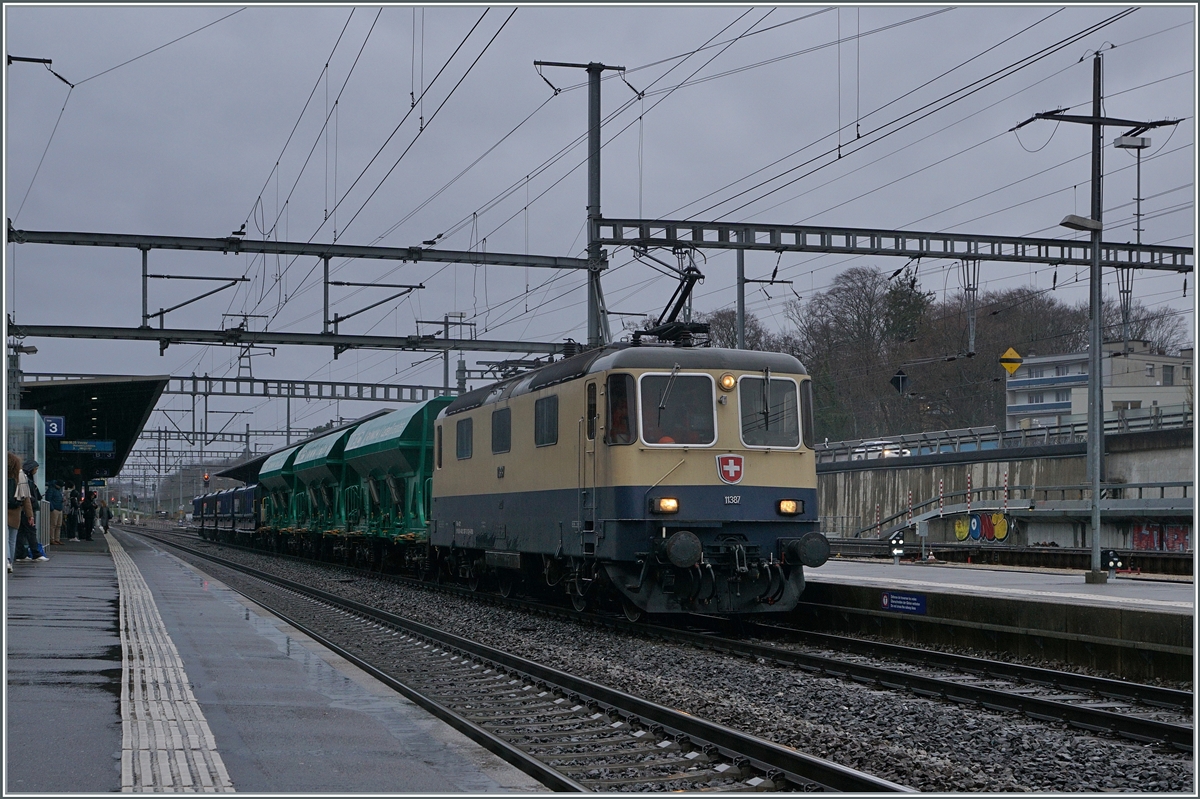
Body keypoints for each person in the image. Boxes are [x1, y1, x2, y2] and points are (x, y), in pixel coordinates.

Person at [14, 459, 48, 562]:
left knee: (21, 532)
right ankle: (35, 553)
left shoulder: (24, 478)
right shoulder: (26, 479)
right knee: (31, 531)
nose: (36, 471)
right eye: (36, 469)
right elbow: (26, 496)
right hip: (27, 509)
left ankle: (21, 554)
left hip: (23, 509)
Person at [7, 452, 31, 574]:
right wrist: (30, 515)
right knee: (12, 540)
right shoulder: (21, 475)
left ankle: (5, 560)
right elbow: (26, 497)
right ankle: (10, 562)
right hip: (15, 511)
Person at [46, 479, 64, 545]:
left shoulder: (53, 489)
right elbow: (48, 499)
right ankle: (53, 539)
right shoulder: (54, 490)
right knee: (54, 525)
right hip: (56, 509)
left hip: (56, 508)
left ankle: (56, 539)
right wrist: (52, 508)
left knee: (57, 525)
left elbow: (49, 498)